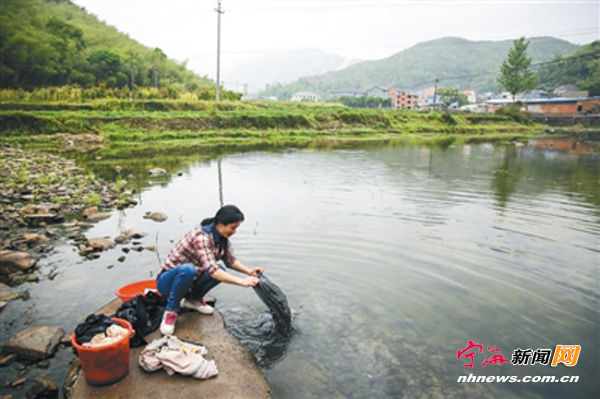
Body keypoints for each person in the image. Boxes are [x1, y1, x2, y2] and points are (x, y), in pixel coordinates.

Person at [156, 205, 262, 335]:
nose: (234, 232)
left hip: (189, 280)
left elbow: (230, 260)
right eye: (233, 228)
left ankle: (193, 300)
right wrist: (242, 282)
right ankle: (171, 311)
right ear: (220, 224)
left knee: (221, 268)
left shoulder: (222, 239)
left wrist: (249, 272)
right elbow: (213, 271)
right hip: (167, 283)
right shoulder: (202, 237)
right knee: (189, 270)